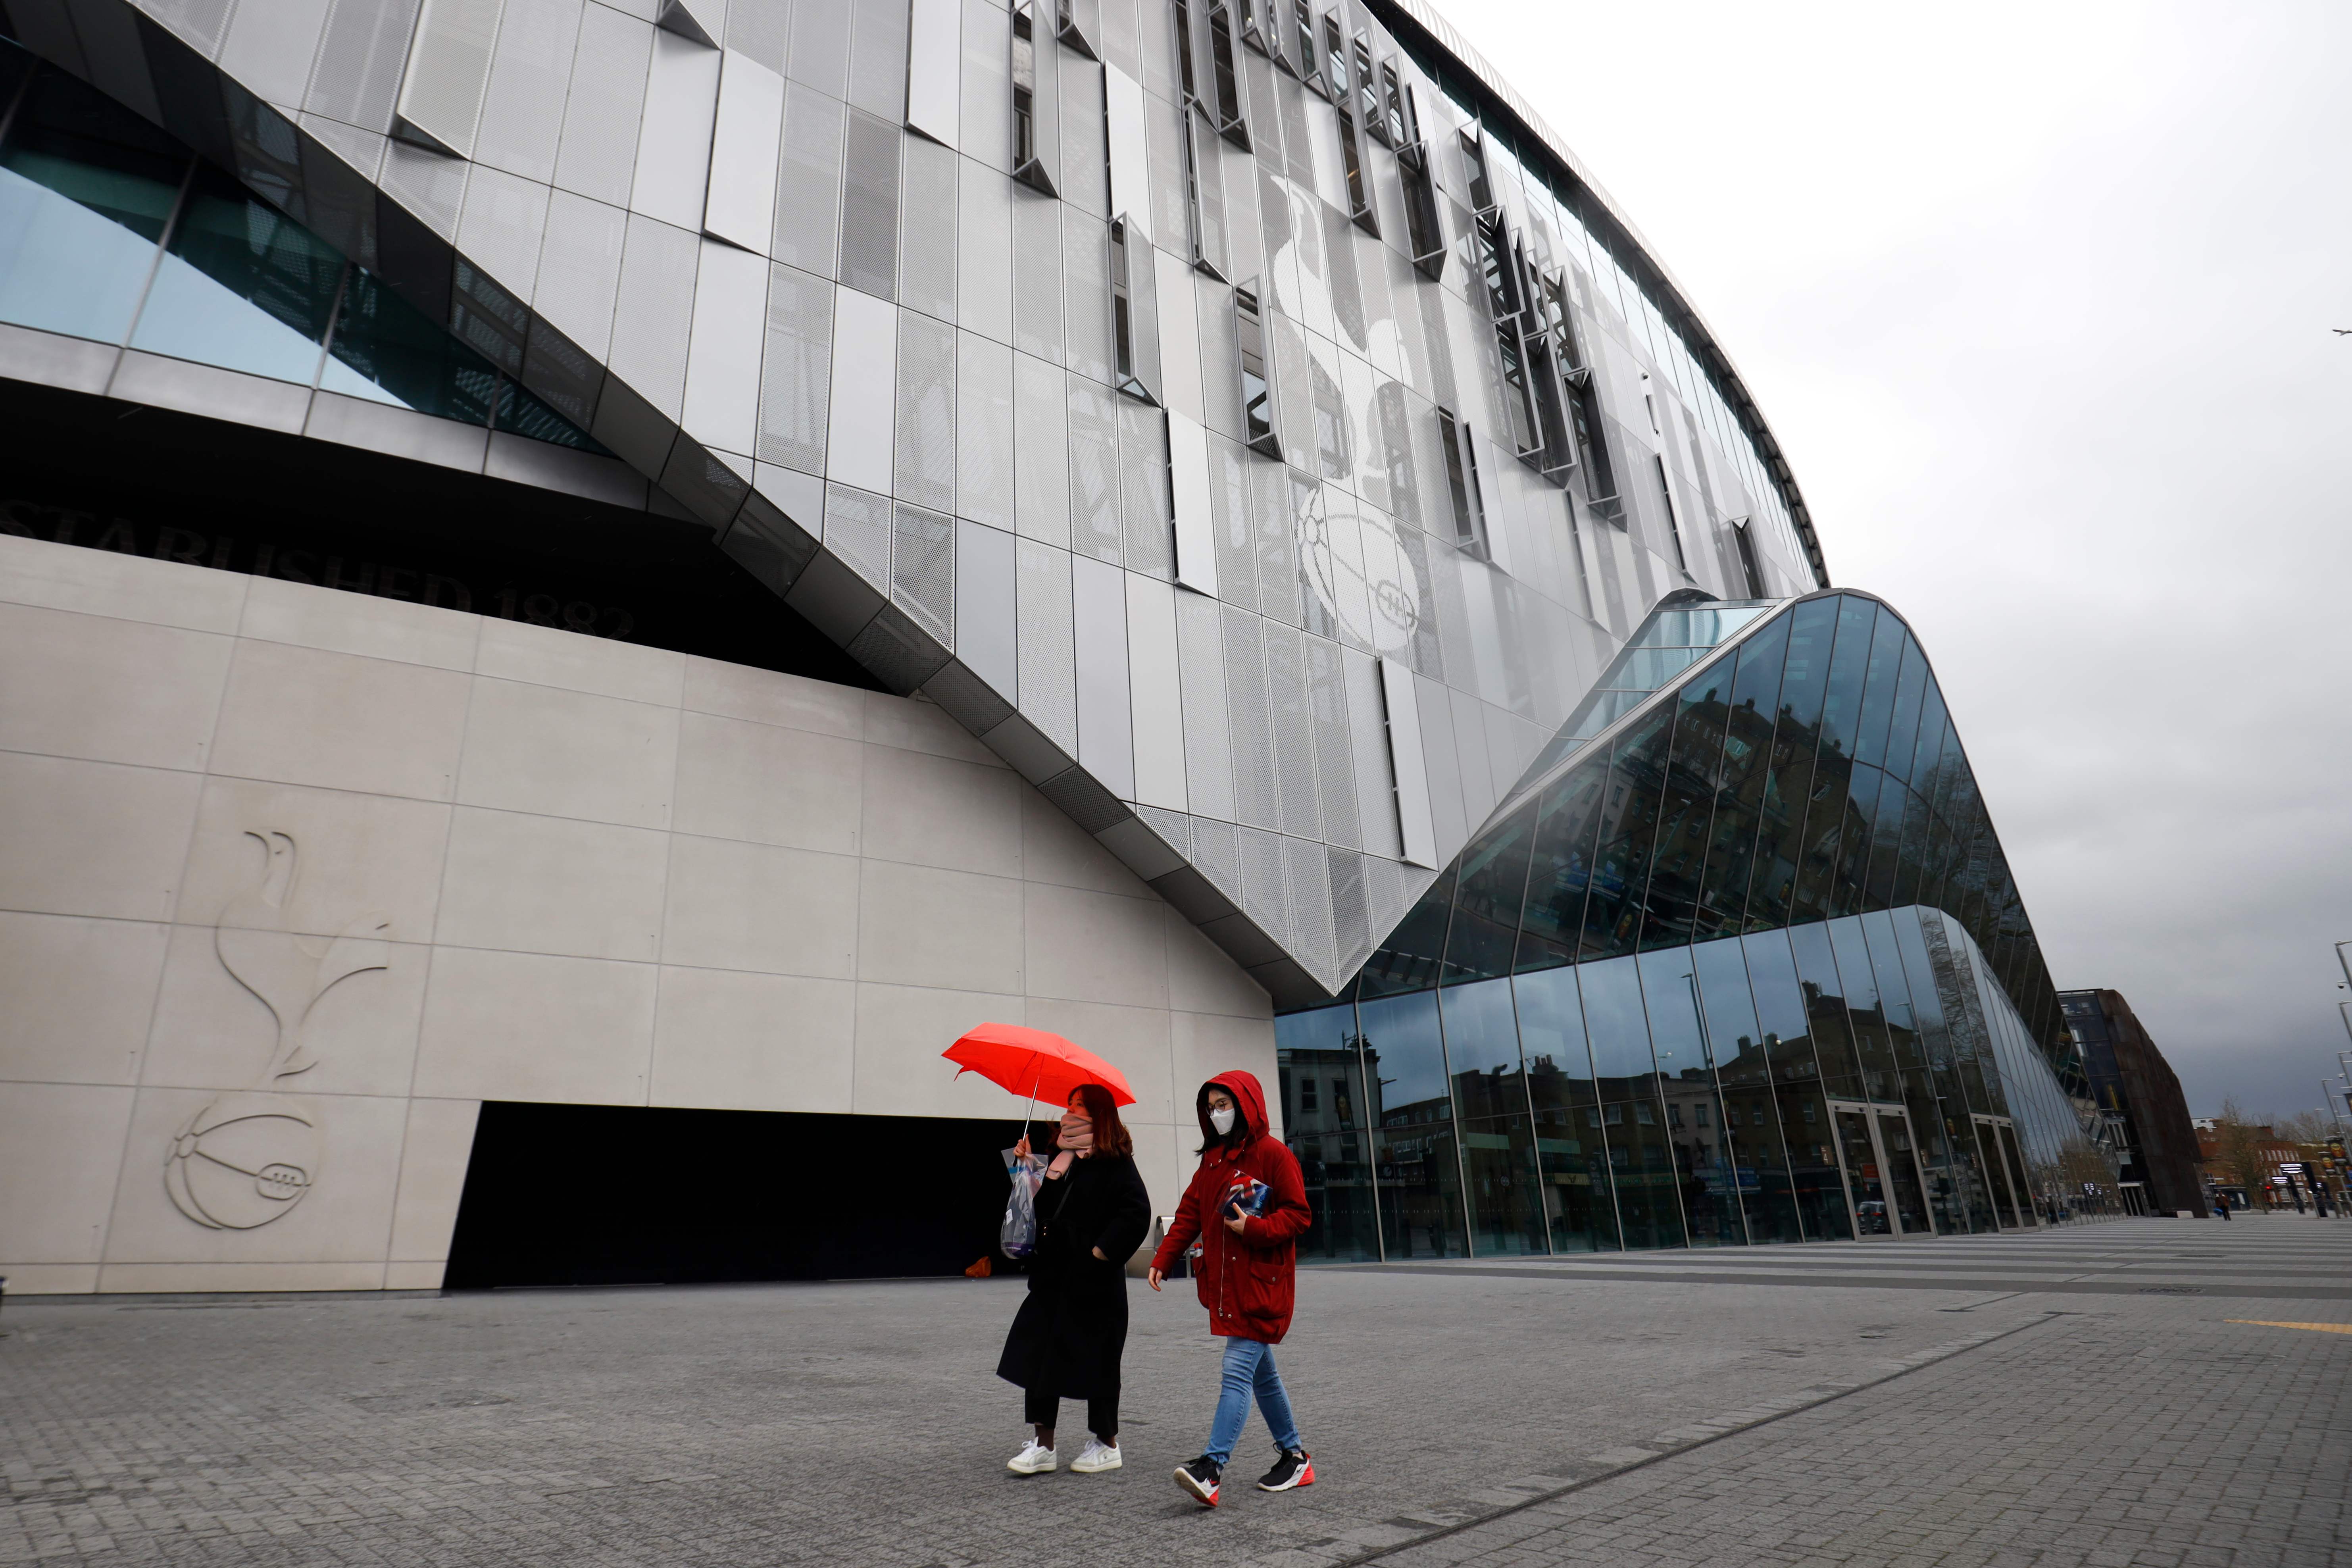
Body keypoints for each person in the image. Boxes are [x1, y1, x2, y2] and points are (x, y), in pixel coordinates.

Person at [1147, 1071, 1315, 1508]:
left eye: (1223, 1104)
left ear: (1245, 1105)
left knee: (1237, 1371)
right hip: (1228, 1287)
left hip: (1261, 1288)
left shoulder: (1274, 1155)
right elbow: (1189, 1212)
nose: (1216, 1113)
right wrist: (1164, 1258)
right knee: (1262, 1376)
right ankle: (1295, 1457)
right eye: (1211, 1106)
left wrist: (1254, 1228)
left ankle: (1212, 1467)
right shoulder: (1213, 1160)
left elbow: (1299, 1215)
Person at [996, 1082, 1150, 1477]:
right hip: (1052, 1276)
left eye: (1079, 1105)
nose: (1070, 1111)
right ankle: (1043, 1444)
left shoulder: (1115, 1161)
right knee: (1038, 1354)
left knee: (1098, 1361)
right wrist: (1026, 1168)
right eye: (1069, 1104)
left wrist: (1100, 1252)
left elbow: (1136, 1213)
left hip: (1094, 1281)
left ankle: (1106, 1443)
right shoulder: (1060, 1159)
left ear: (1099, 1114)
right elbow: (1040, 1209)